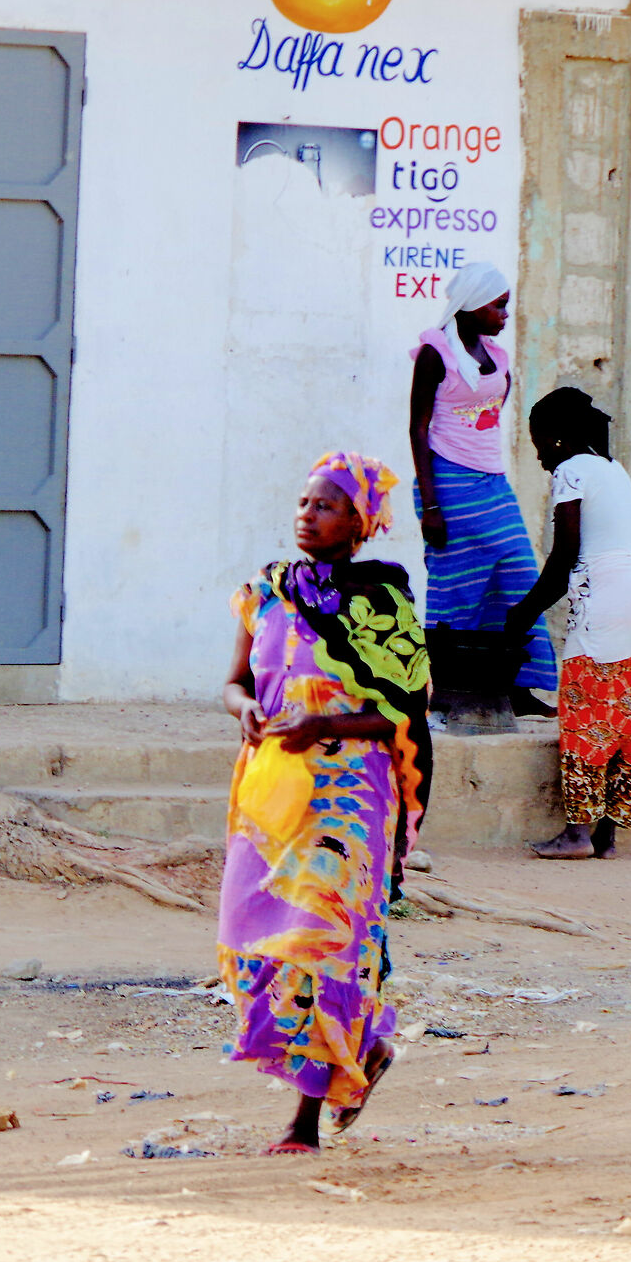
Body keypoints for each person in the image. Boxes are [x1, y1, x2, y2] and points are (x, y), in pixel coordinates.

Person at [220, 452, 431, 1155]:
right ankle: (366, 1053)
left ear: (361, 522)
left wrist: (325, 727)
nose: (308, 516)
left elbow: (408, 708)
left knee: (324, 943)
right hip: (273, 790)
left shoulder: (382, 605)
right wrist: (246, 706)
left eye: (327, 506)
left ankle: (303, 1120)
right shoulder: (267, 592)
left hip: (347, 796)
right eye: (305, 503)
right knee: (257, 938)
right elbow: (232, 680)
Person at [506, 388, 631, 861]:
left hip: (608, 606)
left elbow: (564, 559)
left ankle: (576, 833)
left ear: (557, 439)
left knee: (585, 720)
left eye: (538, 441)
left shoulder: (571, 470)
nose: (538, 453)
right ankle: (607, 835)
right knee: (629, 723)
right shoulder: (613, 469)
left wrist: (520, 616)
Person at [409, 261, 558, 716]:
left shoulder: (497, 355)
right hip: (447, 484)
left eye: (505, 305)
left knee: (518, 577)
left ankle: (515, 684)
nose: (504, 313)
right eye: (498, 305)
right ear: (471, 306)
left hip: (492, 483)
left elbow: (489, 415)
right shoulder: (436, 353)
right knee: (456, 587)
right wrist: (431, 506)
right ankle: (442, 686)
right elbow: (418, 429)